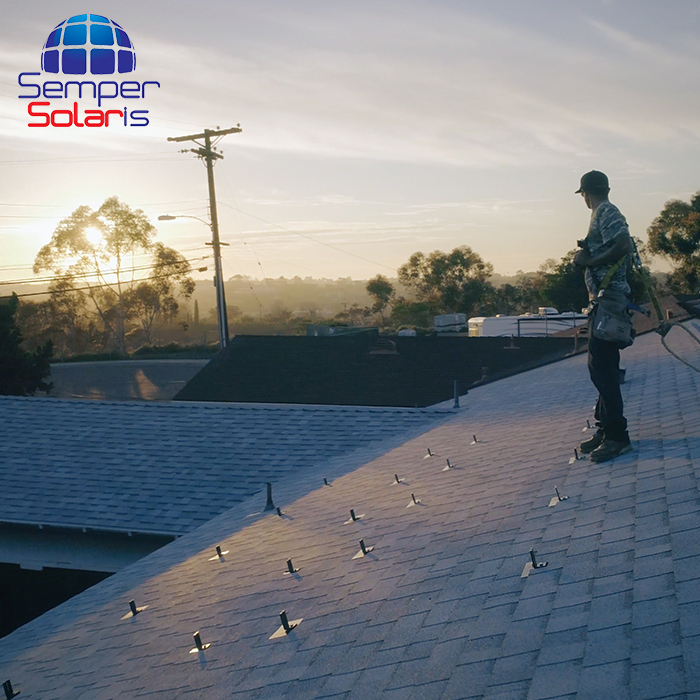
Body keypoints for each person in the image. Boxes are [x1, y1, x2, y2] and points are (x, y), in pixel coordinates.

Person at [573, 170, 633, 463]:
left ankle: (617, 437)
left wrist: (589, 260)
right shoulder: (601, 213)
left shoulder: (606, 211)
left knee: (603, 369)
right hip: (604, 302)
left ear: (586, 193)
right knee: (601, 367)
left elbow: (624, 245)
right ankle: (605, 429)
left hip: (609, 301)